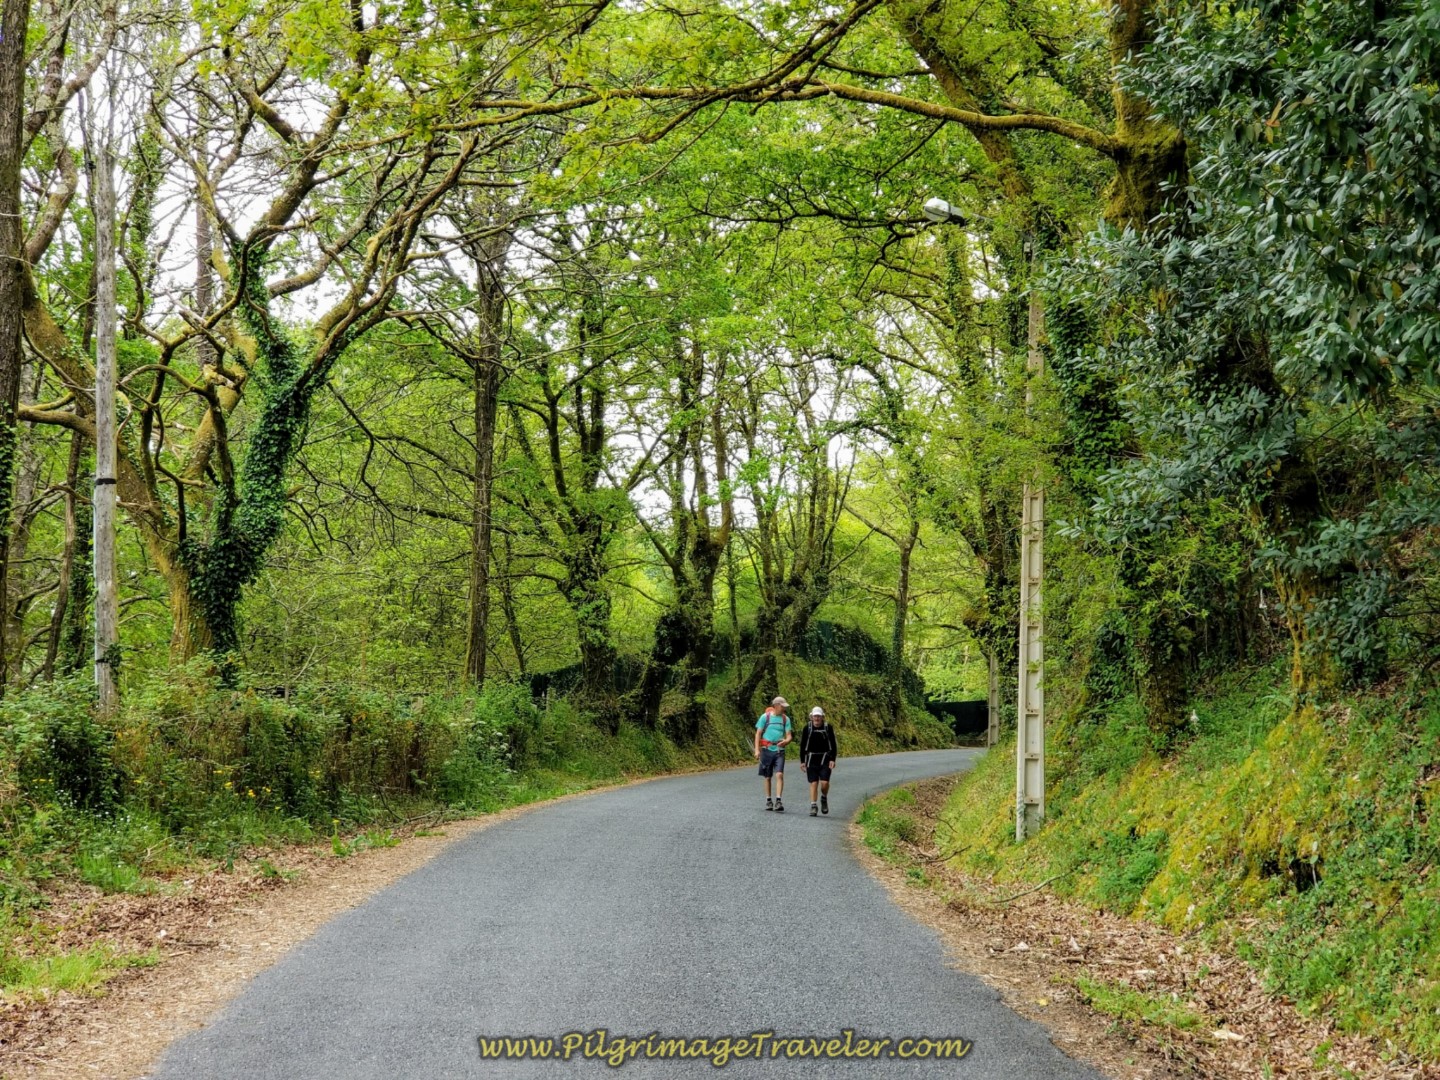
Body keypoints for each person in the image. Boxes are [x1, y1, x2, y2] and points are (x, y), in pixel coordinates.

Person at [754, 696, 792, 811]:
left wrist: (786, 741)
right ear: (776, 706)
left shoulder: (786, 719)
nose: (784, 708)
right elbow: (758, 733)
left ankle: (779, 801)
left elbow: (789, 735)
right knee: (767, 776)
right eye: (782, 706)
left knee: (779, 774)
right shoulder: (765, 717)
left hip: (779, 751)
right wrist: (757, 749)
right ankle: (769, 800)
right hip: (766, 750)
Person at [800, 706, 838, 816]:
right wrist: (803, 761)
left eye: (819, 716)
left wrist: (832, 759)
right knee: (813, 783)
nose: (817, 718)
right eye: (815, 716)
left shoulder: (828, 727)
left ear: (822, 717)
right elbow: (803, 745)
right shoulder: (807, 728)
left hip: (825, 758)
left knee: (825, 783)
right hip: (811, 759)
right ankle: (813, 806)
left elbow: (833, 744)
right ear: (811, 717)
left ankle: (824, 798)